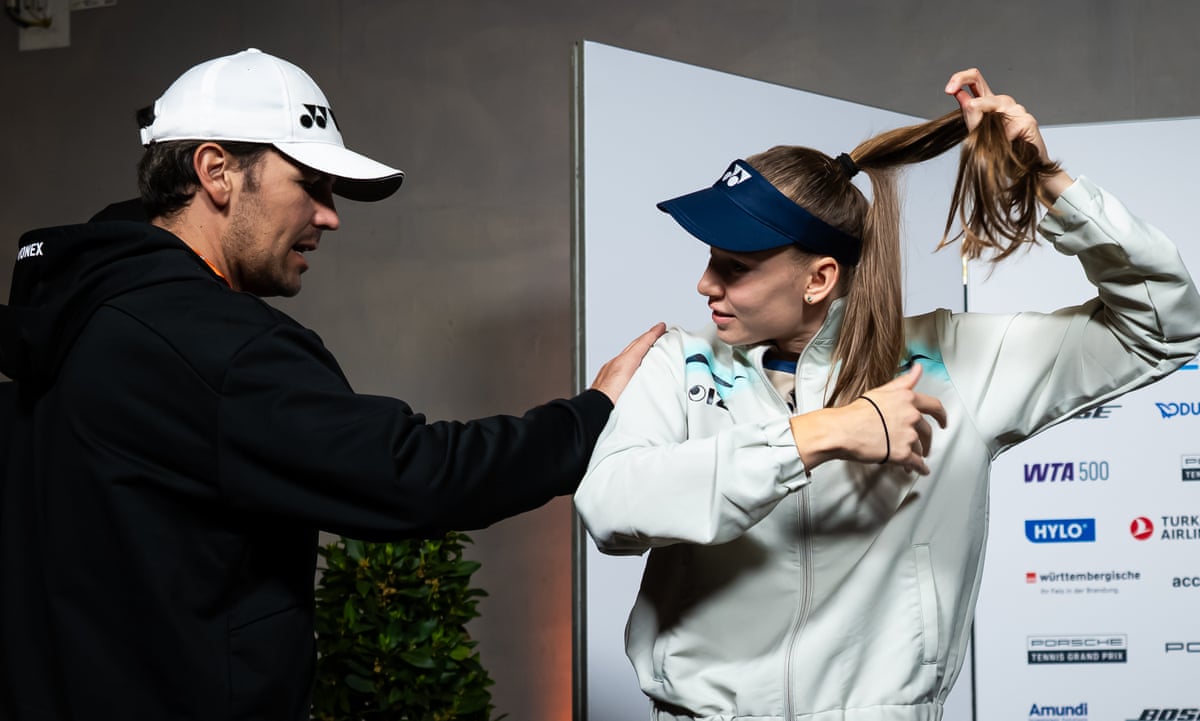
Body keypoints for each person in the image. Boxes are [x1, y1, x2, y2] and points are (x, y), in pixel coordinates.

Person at [0, 48, 663, 721]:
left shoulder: (77, 308)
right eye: (311, 184)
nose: (330, 216)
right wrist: (591, 415)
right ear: (216, 170)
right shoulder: (220, 348)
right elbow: (416, 473)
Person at [574, 68, 1200, 721]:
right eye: (710, 257)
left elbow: (1164, 327)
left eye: (734, 266)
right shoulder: (678, 363)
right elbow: (611, 508)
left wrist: (1050, 184)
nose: (706, 284)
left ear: (819, 278)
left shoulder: (952, 360)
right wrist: (816, 435)